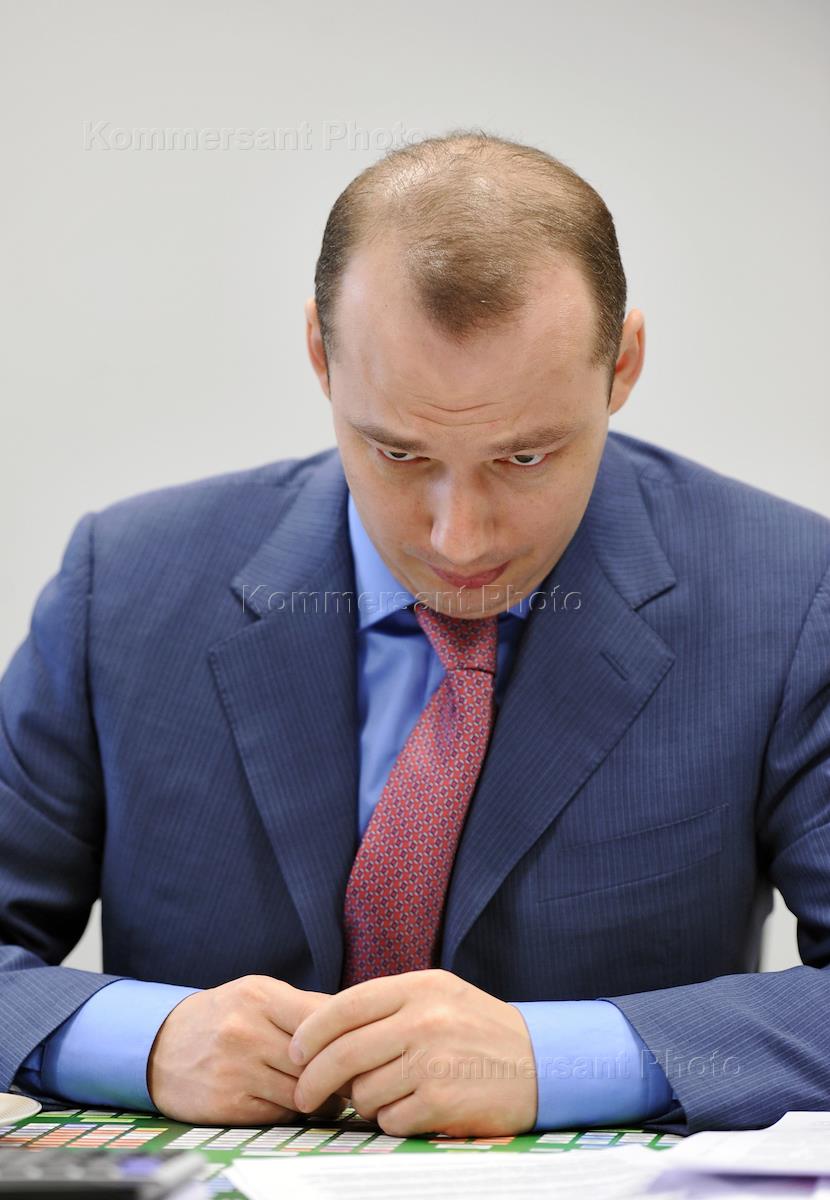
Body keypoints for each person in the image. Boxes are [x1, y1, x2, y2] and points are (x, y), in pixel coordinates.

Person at [2, 130, 829, 1139]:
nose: (457, 539)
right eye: (398, 453)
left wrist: (563, 1059)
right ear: (320, 355)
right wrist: (142, 1040)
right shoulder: (124, 587)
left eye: (526, 457)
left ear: (622, 366)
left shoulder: (787, 598)